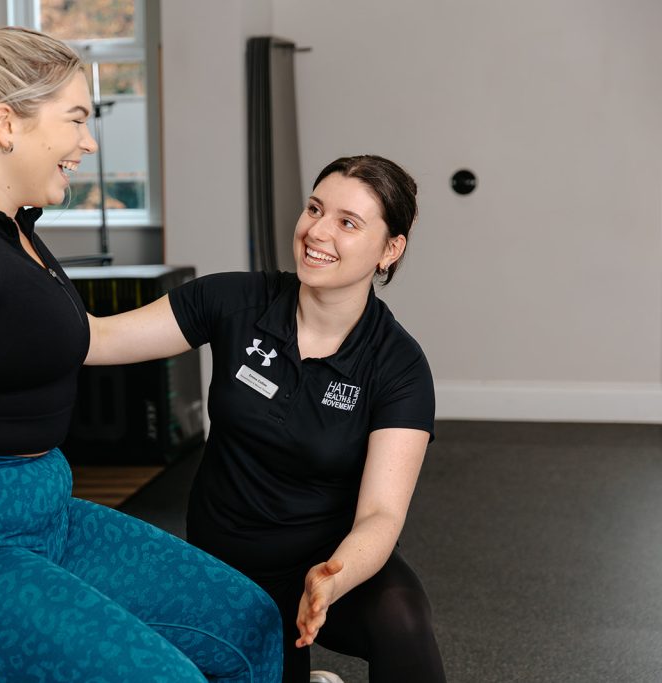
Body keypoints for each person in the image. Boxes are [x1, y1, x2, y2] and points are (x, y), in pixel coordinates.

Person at [0, 27, 283, 683]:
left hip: (46, 513)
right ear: (5, 123)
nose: (88, 141)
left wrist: (238, 302)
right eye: (76, 119)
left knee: (251, 618)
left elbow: (81, 337)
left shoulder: (15, 228)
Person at [85, 155, 447, 683]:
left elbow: (380, 517)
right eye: (314, 209)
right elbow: (99, 338)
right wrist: (15, 226)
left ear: (390, 250)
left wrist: (331, 579)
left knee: (402, 618)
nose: (317, 231)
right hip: (225, 565)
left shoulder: (398, 366)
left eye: (347, 222)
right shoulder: (234, 300)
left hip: (323, 564)